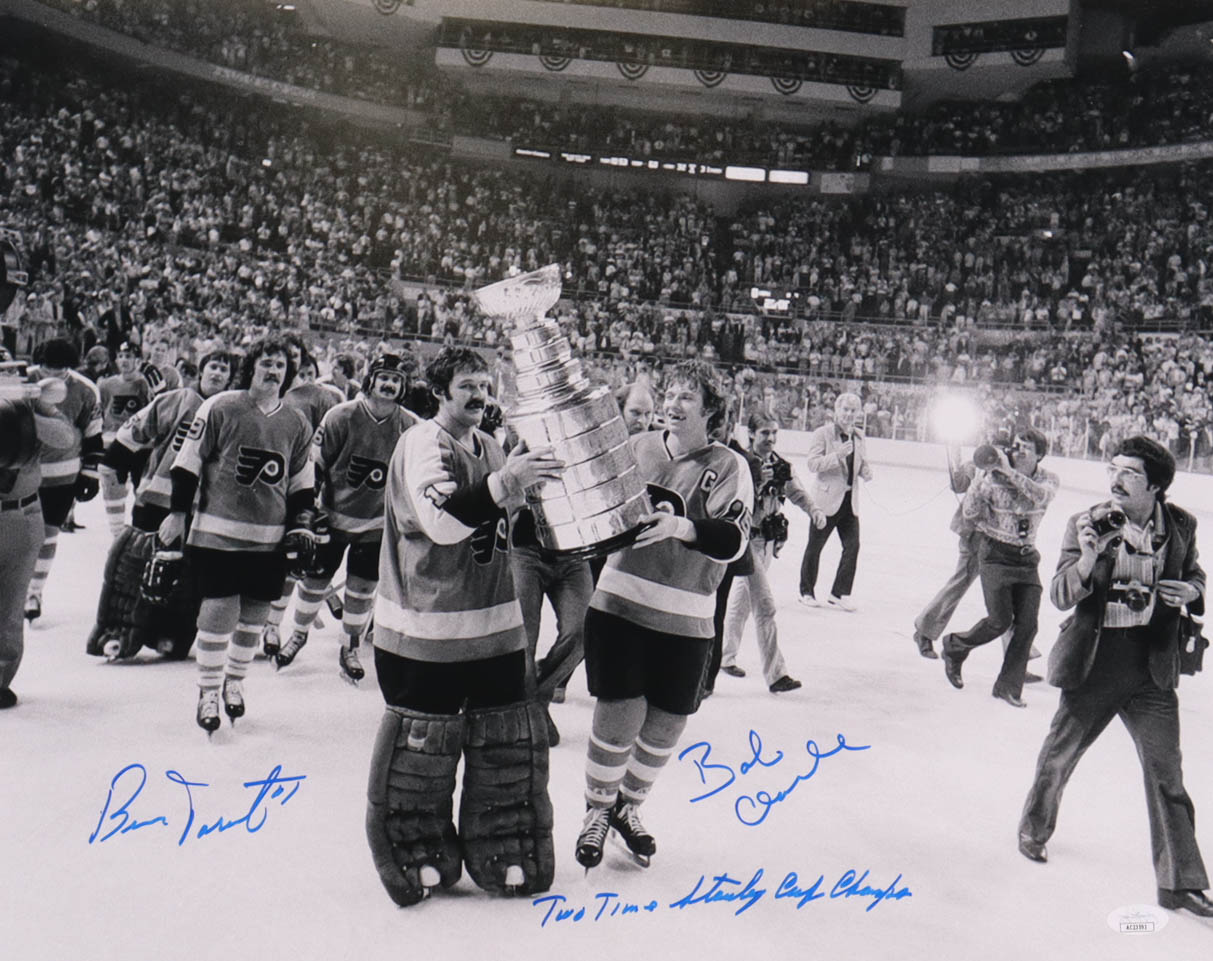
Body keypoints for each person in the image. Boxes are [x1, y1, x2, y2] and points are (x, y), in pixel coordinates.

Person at [366, 346, 565, 906]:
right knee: (421, 754)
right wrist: (507, 482)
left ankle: (503, 842)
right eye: (467, 385)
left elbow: (507, 518)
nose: (479, 395)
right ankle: (416, 844)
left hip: (495, 628)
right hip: (424, 630)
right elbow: (443, 523)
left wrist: (533, 486)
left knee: (505, 748)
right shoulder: (422, 442)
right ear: (439, 390)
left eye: (485, 384)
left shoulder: (492, 445)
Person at [1018, 436, 1212, 919]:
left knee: (1168, 775)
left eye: (1129, 472)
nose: (1115, 479)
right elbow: (1061, 595)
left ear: (1155, 486)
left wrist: (1190, 590)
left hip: (1152, 668)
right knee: (1060, 755)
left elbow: (1197, 575)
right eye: (1113, 469)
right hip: (1095, 662)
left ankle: (1180, 884)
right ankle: (1033, 830)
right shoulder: (1086, 522)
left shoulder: (1182, 524)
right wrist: (1086, 558)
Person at [574, 359, 753, 870]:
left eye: (686, 398)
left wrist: (682, 528)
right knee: (618, 711)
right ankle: (596, 811)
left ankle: (628, 808)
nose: (672, 405)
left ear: (711, 411)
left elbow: (734, 540)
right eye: (669, 394)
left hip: (687, 619)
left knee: (665, 725)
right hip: (619, 606)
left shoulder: (728, 466)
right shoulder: (637, 449)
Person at [159, 335, 316, 733]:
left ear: (288, 373)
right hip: (216, 532)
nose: (273, 370)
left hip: (269, 538)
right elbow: (187, 464)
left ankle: (235, 682)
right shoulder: (221, 406)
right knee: (219, 609)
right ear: (252, 366)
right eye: (266, 362)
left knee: (255, 616)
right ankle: (208, 688)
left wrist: (302, 524)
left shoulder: (296, 421)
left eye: (280, 365)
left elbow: (301, 483)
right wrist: (178, 515)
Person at [276, 352, 418, 679]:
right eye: (384, 377)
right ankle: (298, 633)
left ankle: (350, 646)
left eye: (396, 380)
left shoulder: (410, 425)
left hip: (376, 524)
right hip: (333, 516)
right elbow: (316, 464)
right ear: (371, 379)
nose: (389, 384)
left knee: (361, 588)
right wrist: (307, 509)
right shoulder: (341, 415)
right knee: (314, 581)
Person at [87, 350, 234, 660]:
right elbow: (137, 426)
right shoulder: (179, 398)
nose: (218, 373)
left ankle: (170, 633)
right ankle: (116, 631)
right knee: (133, 564)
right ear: (201, 370)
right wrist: (116, 460)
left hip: (202, 508)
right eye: (213, 366)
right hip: (155, 497)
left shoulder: (230, 410)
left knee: (188, 576)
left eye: (225, 368)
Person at [941, 428, 1058, 707]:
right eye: (1016, 445)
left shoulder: (1049, 480)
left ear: (1039, 454)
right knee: (1000, 621)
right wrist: (980, 482)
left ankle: (1008, 687)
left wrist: (1007, 472)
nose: (1017, 450)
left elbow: (1039, 497)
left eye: (1026, 448)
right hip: (994, 554)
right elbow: (970, 513)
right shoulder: (990, 476)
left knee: (1028, 625)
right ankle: (955, 647)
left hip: (1027, 557)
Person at [720, 413, 825, 693]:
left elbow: (796, 492)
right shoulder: (741, 464)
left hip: (767, 543)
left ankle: (725, 656)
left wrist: (814, 511)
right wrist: (755, 482)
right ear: (752, 434)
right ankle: (776, 674)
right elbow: (732, 502)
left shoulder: (780, 466)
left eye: (774, 433)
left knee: (742, 602)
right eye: (765, 432)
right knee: (765, 605)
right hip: (747, 541)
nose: (770, 439)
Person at [0, 384, 74, 708]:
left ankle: (0, 680)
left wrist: (23, 415)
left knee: (10, 607)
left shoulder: (25, 394)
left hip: (22, 513)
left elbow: (64, 438)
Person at [25, 338, 103, 622]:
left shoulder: (85, 390)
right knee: (16, 535)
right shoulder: (23, 379)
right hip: (21, 472)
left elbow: (94, 433)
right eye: (47, 368)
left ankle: (34, 592)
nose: (52, 375)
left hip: (62, 475)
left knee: (47, 535)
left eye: (59, 371)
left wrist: (90, 473)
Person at [799, 392, 872, 611]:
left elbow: (861, 462)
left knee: (852, 546)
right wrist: (837, 455)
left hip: (850, 502)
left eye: (853, 411)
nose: (849, 415)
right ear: (836, 411)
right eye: (845, 410)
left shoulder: (859, 436)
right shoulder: (822, 434)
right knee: (815, 546)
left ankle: (839, 593)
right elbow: (812, 464)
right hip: (826, 499)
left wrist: (865, 471)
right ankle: (806, 591)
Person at [96, 341, 155, 536]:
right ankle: (117, 534)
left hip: (141, 446)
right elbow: (101, 412)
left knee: (142, 489)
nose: (124, 360)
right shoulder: (106, 384)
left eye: (128, 356)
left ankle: (138, 530)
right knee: (113, 487)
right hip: (114, 442)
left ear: (138, 360)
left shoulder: (145, 384)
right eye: (120, 356)